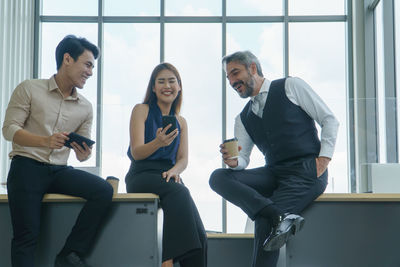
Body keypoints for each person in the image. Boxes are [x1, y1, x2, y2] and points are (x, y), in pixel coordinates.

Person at [209, 51, 339, 267]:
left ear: (252, 68)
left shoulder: (291, 86)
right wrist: (234, 162)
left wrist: (323, 160)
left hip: (305, 171)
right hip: (273, 173)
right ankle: (277, 214)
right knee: (219, 177)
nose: (232, 82)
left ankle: (271, 215)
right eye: (228, 78)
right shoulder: (243, 118)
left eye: (235, 73)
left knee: (263, 222)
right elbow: (242, 159)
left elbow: (329, 119)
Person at [2, 35, 113, 267]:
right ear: (67, 59)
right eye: (88, 64)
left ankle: (69, 254)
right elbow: (9, 129)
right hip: (26, 167)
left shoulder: (85, 107)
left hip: (60, 171)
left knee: (102, 190)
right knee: (26, 238)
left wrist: (84, 154)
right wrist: (45, 141)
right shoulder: (29, 88)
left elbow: (85, 148)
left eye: (93, 66)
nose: (91, 72)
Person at [125, 63, 207, 267]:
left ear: (179, 87)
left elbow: (183, 159)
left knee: (201, 237)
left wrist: (174, 171)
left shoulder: (181, 121)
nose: (166, 85)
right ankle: (167, 261)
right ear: (153, 87)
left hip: (168, 176)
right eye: (160, 81)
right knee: (180, 193)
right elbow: (136, 152)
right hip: (141, 174)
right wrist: (158, 142)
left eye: (172, 81)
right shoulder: (141, 110)